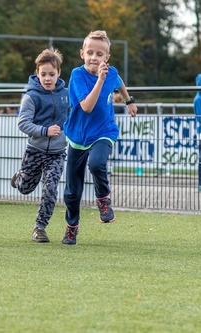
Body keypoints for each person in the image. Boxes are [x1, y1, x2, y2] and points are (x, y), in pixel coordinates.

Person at [62, 30, 137, 246]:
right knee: (72, 191)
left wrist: (128, 100)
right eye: (90, 52)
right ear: (82, 53)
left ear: (107, 57)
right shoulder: (77, 75)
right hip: (78, 137)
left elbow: (118, 80)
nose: (94, 57)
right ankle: (71, 227)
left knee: (96, 163)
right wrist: (100, 80)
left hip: (104, 131)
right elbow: (86, 106)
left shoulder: (110, 72)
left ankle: (104, 200)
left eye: (100, 54)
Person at [10, 47, 69, 243]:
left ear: (59, 73)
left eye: (51, 74)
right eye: (43, 74)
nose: (47, 79)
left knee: (50, 188)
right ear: (37, 73)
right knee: (25, 188)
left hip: (57, 153)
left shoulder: (66, 95)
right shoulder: (31, 96)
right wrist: (44, 131)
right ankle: (19, 179)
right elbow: (22, 123)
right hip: (35, 150)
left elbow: (74, 116)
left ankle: (40, 227)